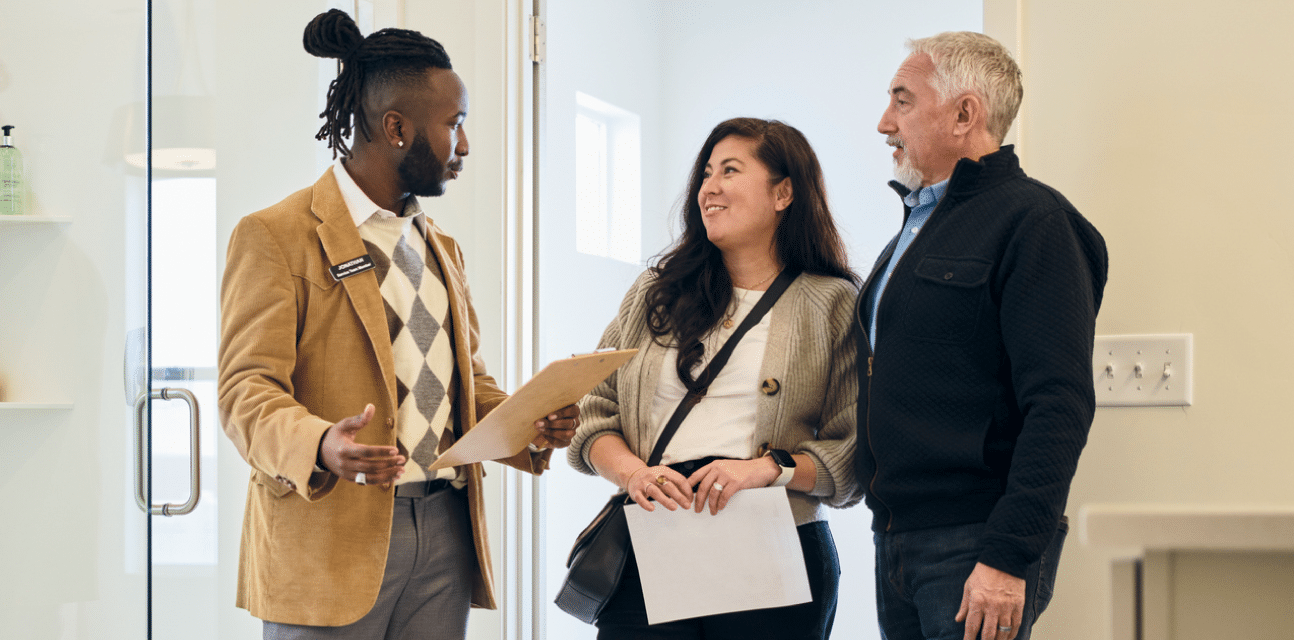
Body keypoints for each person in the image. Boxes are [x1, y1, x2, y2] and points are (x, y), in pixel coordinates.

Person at [217, 10, 578, 639]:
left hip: (444, 532)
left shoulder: (442, 247)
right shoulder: (276, 236)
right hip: (326, 536)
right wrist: (321, 444)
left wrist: (533, 422)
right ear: (396, 127)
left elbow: (467, 390)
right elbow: (244, 390)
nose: (463, 145)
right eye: (454, 124)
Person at [566, 117, 861, 640]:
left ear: (784, 192)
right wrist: (634, 474)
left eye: (730, 170)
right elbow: (595, 411)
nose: (709, 188)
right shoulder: (654, 292)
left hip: (776, 557)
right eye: (706, 173)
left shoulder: (832, 304)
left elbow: (853, 452)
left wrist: (769, 470)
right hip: (652, 546)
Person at [856, 32, 1109, 640]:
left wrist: (1007, 555)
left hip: (975, 544)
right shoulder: (913, 233)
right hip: (897, 538)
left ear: (965, 113)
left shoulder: (1036, 222)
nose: (884, 122)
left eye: (903, 100)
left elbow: (1059, 402)